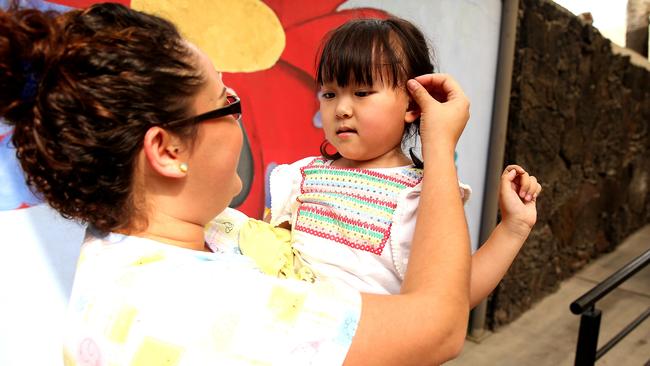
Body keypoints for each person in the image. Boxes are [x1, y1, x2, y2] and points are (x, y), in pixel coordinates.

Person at [1, 3, 473, 365]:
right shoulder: (221, 312)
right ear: (168, 151)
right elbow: (439, 328)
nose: (240, 111)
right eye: (225, 103)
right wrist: (438, 145)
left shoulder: (138, 246)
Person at [211, 17, 542, 305]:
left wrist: (513, 228)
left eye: (362, 93)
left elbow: (454, 297)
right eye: (329, 94)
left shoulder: (424, 195)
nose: (341, 108)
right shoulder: (301, 176)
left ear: (412, 106)